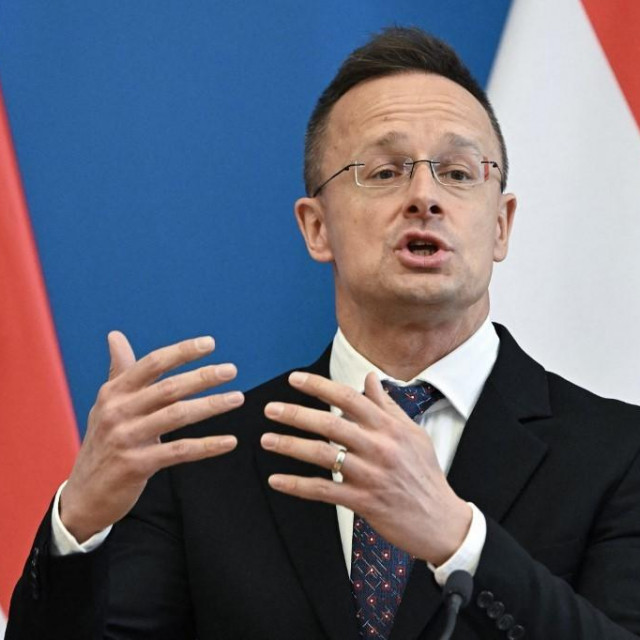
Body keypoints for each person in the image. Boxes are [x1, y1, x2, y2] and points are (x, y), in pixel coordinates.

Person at [7, 26, 640, 640]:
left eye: (458, 171)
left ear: (500, 226)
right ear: (317, 228)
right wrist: (80, 518)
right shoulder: (201, 461)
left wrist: (459, 541)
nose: (425, 195)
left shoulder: (619, 454)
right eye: (385, 172)